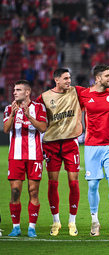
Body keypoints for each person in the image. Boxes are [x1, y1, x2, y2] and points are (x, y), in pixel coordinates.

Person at [78, 65, 109, 236]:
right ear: (97, 78)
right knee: (92, 185)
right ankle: (94, 221)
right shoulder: (83, 94)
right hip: (91, 146)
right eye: (107, 75)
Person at [36, 68, 84, 236]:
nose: (68, 81)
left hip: (71, 143)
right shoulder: (44, 97)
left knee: (73, 182)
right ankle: (56, 221)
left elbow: (95, 93)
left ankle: (72, 221)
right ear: (56, 80)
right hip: (51, 145)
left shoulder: (77, 92)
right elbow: (36, 114)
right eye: (65, 78)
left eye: (69, 78)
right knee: (52, 183)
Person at [4, 80, 47, 238]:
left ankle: (31, 227)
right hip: (15, 156)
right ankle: (16, 227)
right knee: (15, 192)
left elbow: (43, 127)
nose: (14, 92)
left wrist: (28, 115)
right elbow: (6, 129)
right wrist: (13, 115)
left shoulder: (39, 108)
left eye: (18, 90)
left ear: (27, 92)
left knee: (33, 192)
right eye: (14, 89)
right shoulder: (9, 108)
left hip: (35, 156)